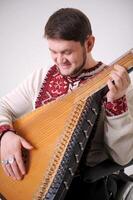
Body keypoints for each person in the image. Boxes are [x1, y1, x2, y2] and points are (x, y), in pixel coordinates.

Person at [0, 7, 133, 198]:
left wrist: (117, 102)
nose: (59, 60)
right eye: (53, 52)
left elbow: (123, 156)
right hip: (32, 180)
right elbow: (3, 106)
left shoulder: (121, 87)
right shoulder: (42, 76)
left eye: (67, 52)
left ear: (89, 43)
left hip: (83, 188)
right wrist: (5, 136)